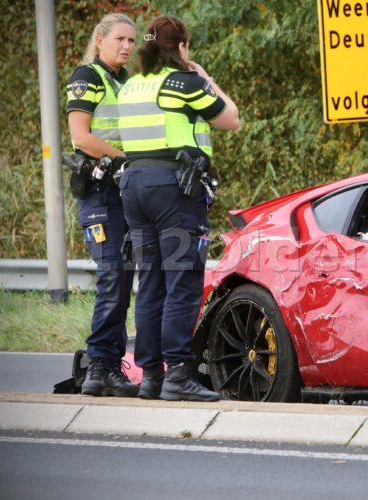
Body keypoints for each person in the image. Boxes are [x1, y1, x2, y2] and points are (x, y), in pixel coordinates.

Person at [117, 16, 239, 401]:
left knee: (150, 283)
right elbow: (230, 119)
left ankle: (151, 376)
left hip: (134, 186)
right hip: (174, 189)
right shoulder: (184, 82)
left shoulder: (132, 85)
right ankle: (178, 375)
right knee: (182, 282)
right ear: (181, 47)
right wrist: (205, 77)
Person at [66, 13, 139, 397]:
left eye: (132, 40)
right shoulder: (87, 77)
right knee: (113, 274)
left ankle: (110, 366)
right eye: (120, 39)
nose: (127, 46)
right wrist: (126, 158)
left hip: (125, 191)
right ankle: (99, 364)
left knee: (124, 278)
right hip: (100, 192)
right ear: (100, 40)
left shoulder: (126, 82)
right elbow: (81, 137)